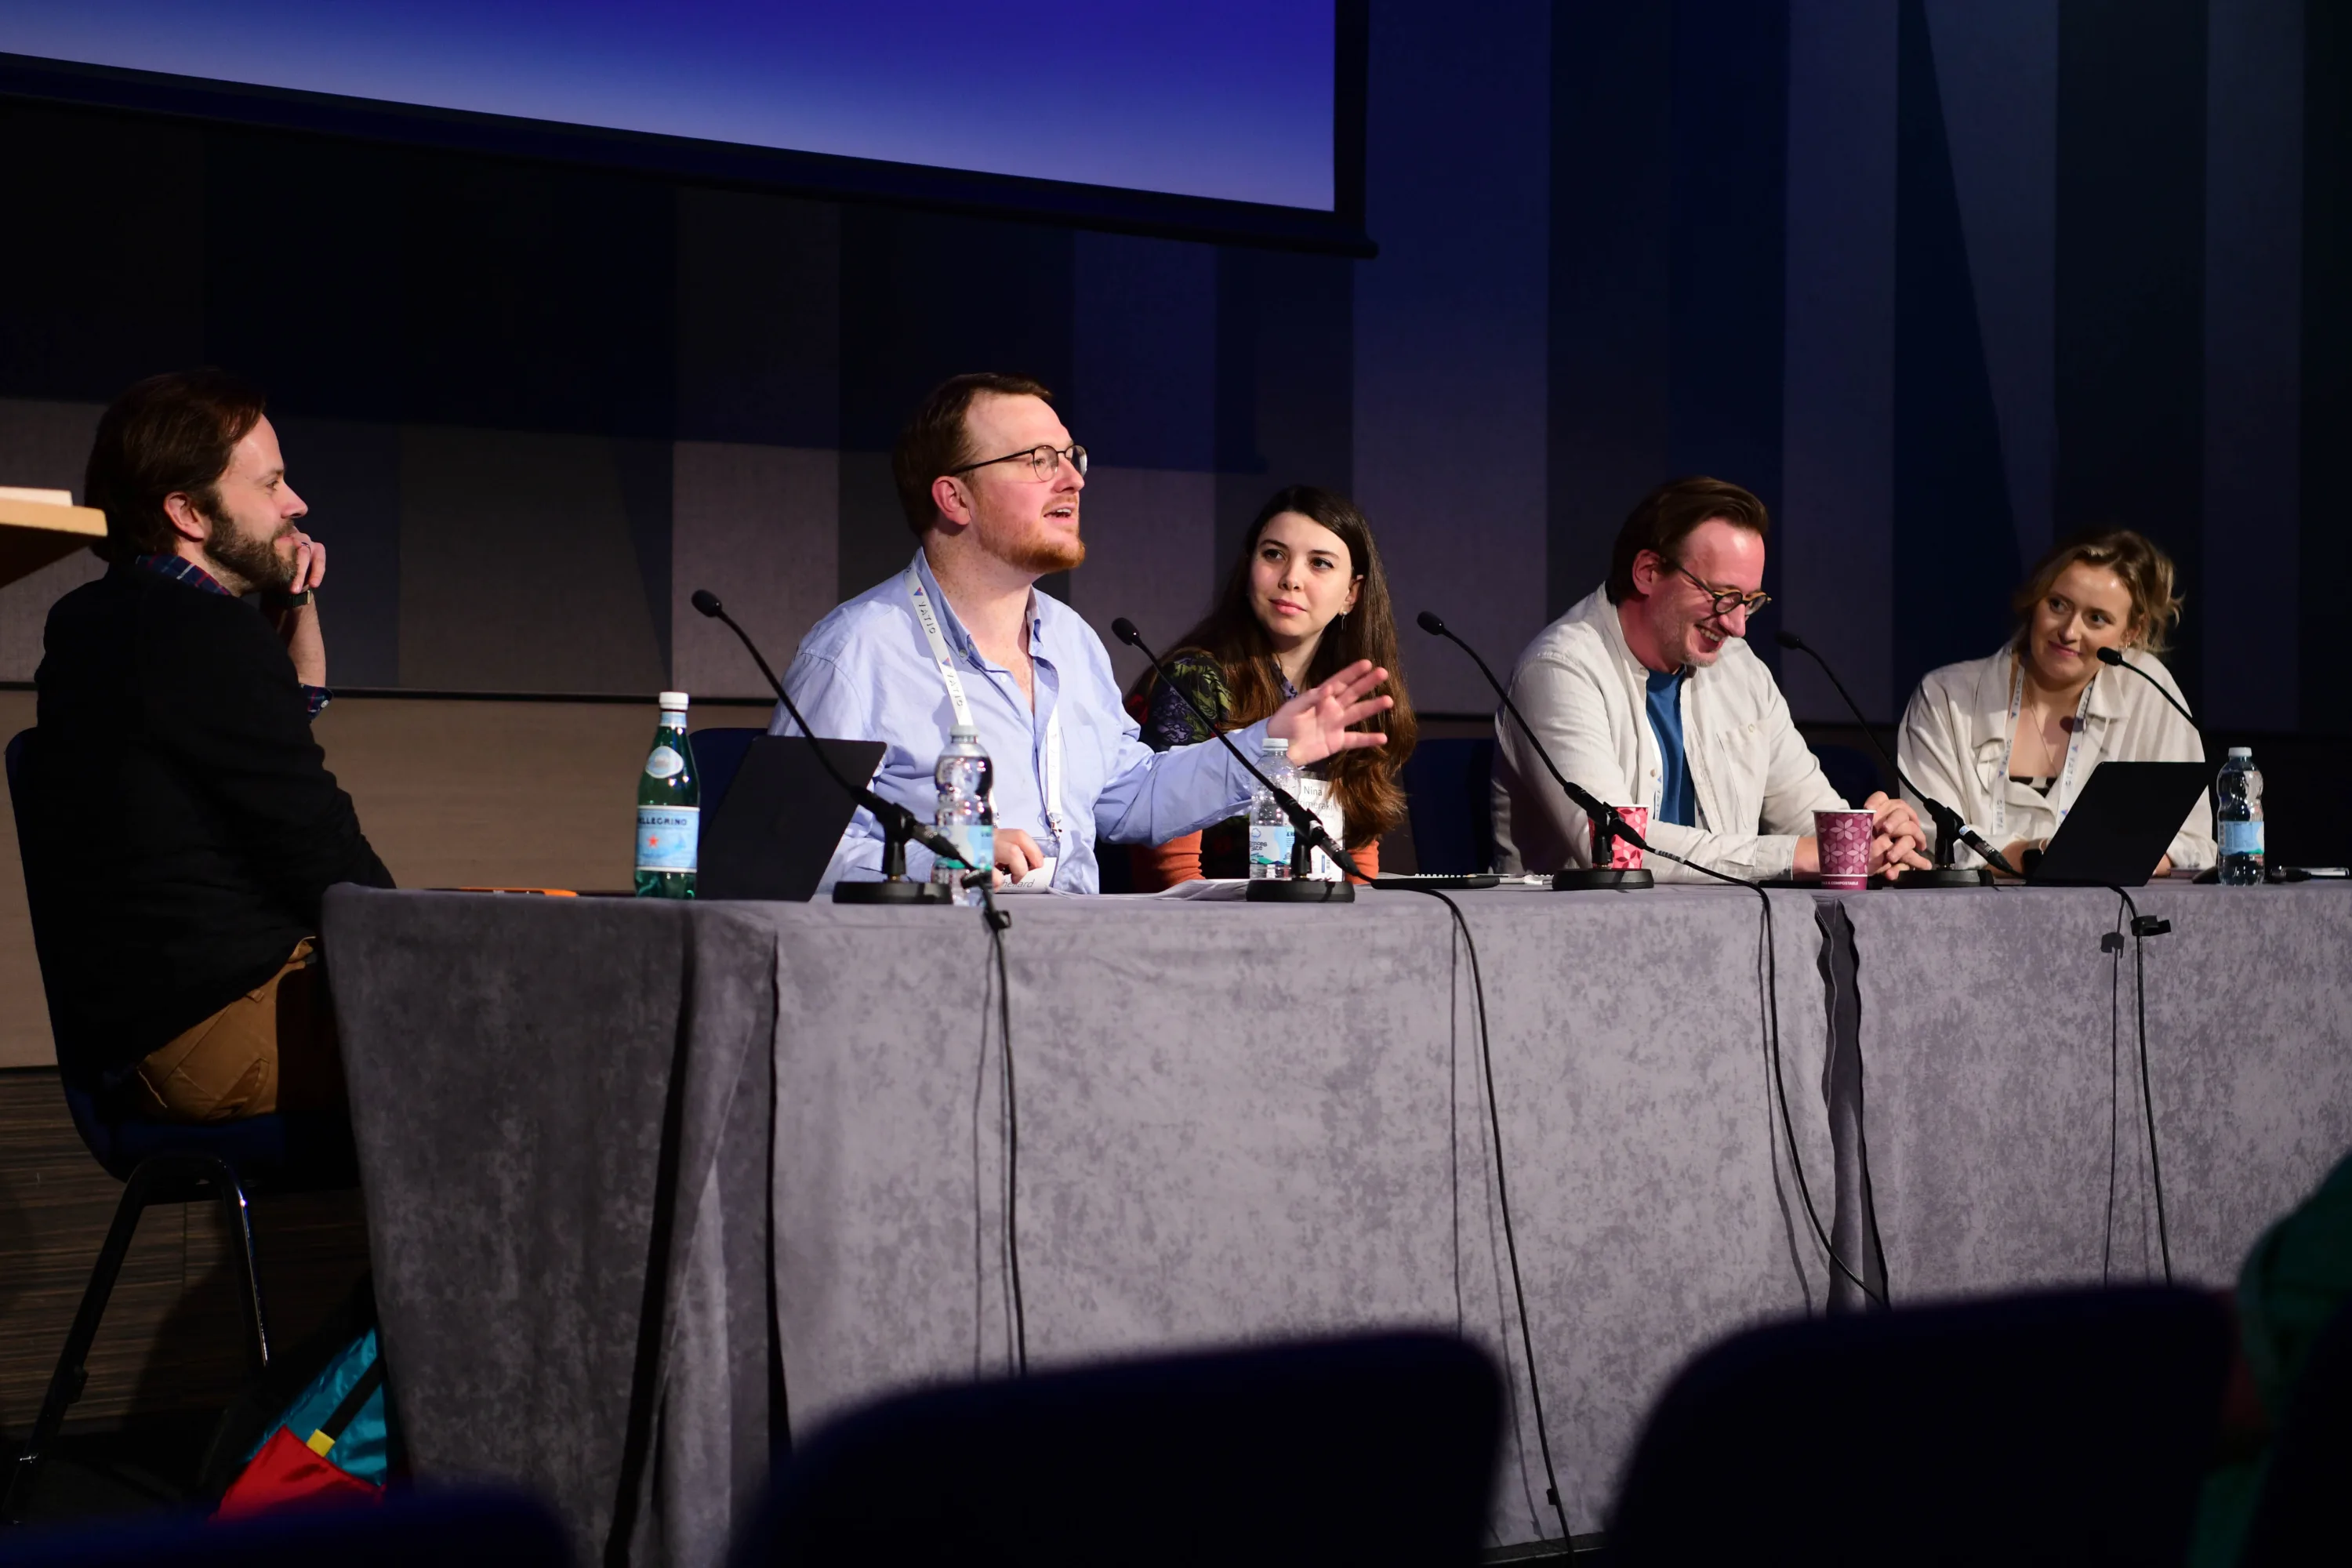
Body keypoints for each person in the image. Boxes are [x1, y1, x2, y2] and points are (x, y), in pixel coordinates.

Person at [774, 372, 1394, 892]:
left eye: (1071, 458)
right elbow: (785, 855)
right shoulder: (855, 653)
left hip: (1077, 960)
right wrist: (938, 859)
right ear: (954, 498)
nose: (1073, 480)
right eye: (1038, 460)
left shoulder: (1071, 641)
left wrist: (1269, 743)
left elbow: (1131, 798)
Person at [29, 369, 392, 1121]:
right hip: (223, 1029)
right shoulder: (202, 635)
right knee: (513, 1021)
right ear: (188, 512)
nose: (296, 505)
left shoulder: (94, 622)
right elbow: (320, 854)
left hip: (152, 1035)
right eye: (272, 485)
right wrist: (427, 945)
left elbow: (256, 756)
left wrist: (295, 616)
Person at [1490, 476, 1928, 883]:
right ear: (1648, 572)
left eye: (1750, 601)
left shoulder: (1741, 668)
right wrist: (1800, 856)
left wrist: (1875, 839)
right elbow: (1616, 847)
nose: (1738, 625)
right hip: (1578, 941)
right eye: (1723, 597)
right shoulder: (1559, 669)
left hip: (1725, 932)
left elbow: (1808, 820)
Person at [1127, 486, 1415, 887]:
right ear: (1249, 567)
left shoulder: (1353, 694)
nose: (1291, 579)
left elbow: (1356, 857)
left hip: (1318, 925)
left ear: (1352, 594)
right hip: (1203, 927)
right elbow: (1171, 877)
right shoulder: (1196, 680)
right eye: (1274, 555)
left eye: (1320, 564)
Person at [1897, 528, 2212, 876]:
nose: (2069, 632)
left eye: (2096, 618)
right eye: (2058, 605)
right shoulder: (1945, 697)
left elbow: (2193, 842)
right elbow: (1930, 844)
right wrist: (2046, 856)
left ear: (2130, 633)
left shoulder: (2146, 688)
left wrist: (2081, 857)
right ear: (2036, 602)